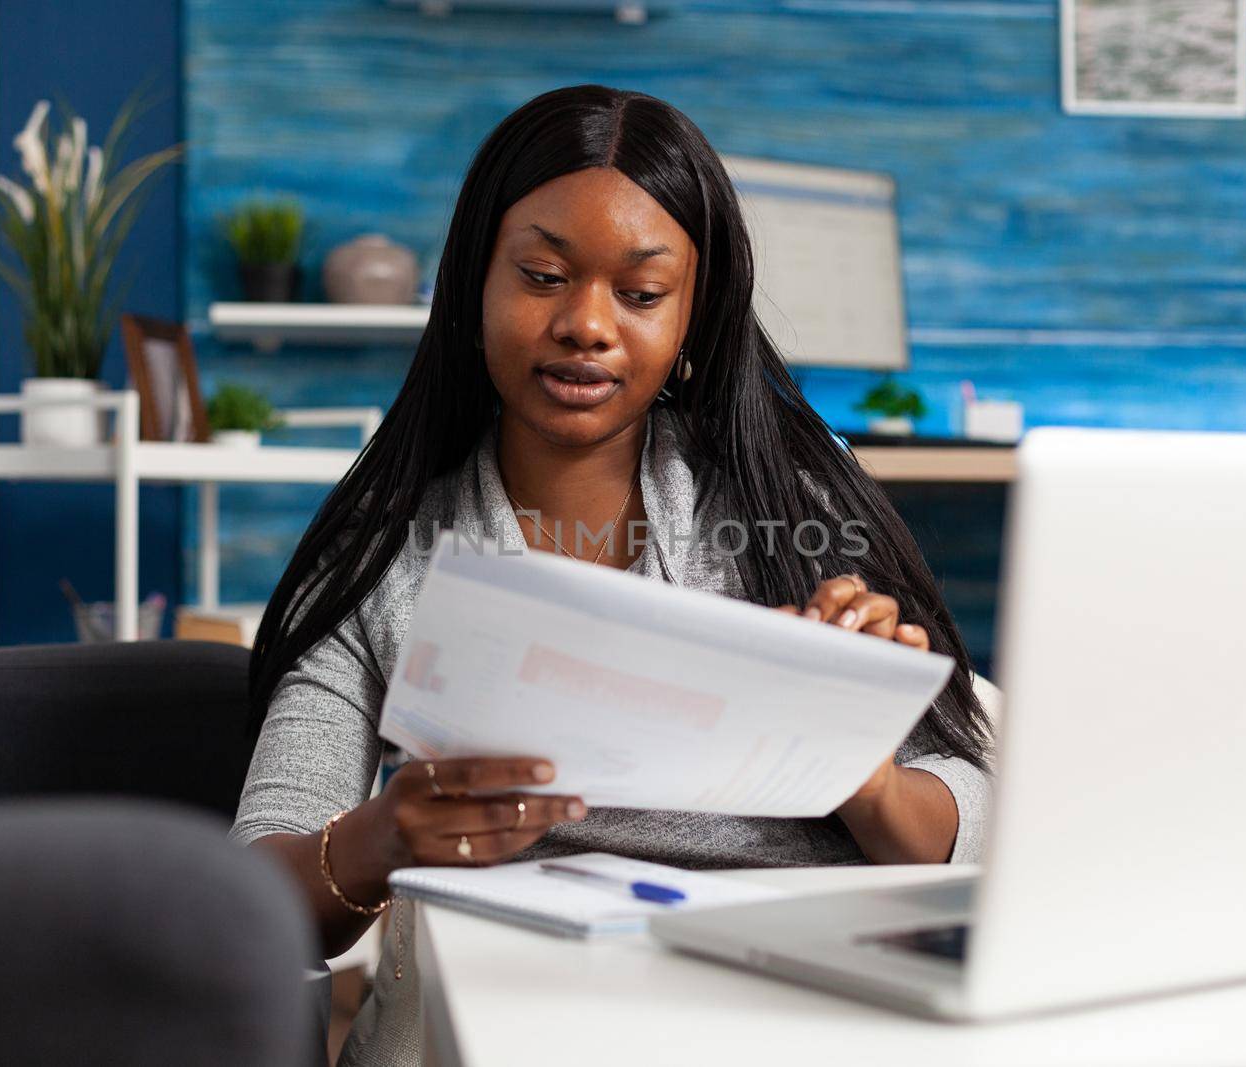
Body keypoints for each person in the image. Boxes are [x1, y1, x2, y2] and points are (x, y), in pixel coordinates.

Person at [233, 83, 993, 1066]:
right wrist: (384, 835)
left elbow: (966, 812)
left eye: (639, 294)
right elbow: (256, 893)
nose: (586, 324)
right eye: (543, 275)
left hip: (792, 1013)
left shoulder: (791, 508)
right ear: (474, 286)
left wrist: (862, 771)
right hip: (511, 1015)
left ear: (690, 318)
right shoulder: (385, 555)